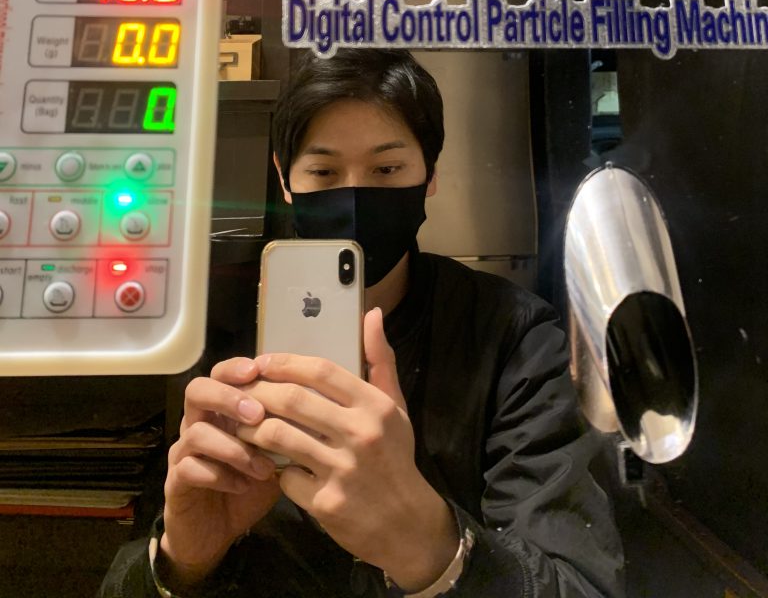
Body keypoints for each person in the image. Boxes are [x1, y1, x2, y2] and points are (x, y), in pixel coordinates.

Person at [100, 48, 624, 598]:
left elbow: (582, 583)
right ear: (285, 178)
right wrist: (181, 563)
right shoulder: (215, 336)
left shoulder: (513, 337)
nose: (354, 195)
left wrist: (432, 548)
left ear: (430, 174)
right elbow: (140, 555)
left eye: (387, 169)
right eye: (323, 171)